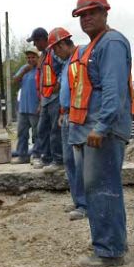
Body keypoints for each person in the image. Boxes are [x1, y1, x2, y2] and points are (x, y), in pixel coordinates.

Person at [68, 0, 133, 267]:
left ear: (106, 12)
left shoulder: (112, 43)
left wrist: (101, 126)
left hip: (103, 132)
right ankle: (113, 243)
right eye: (82, 15)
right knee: (103, 187)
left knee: (102, 188)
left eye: (92, 12)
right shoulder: (99, 44)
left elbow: (113, 89)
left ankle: (108, 252)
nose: (86, 19)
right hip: (96, 130)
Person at [47, 27, 87, 221]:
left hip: (78, 117)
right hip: (67, 116)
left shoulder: (81, 56)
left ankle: (84, 205)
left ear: (62, 44)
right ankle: (78, 200)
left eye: (55, 49)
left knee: (80, 163)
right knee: (69, 161)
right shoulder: (66, 64)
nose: (55, 54)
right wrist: (63, 112)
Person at [28, 27, 63, 172]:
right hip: (46, 98)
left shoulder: (54, 53)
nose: (35, 45)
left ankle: (58, 160)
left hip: (55, 98)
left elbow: (64, 66)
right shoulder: (43, 55)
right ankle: (46, 158)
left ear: (43, 39)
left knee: (55, 131)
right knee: (42, 129)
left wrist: (59, 83)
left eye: (36, 41)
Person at [11, 48, 41, 164]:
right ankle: (22, 156)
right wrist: (24, 71)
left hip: (35, 108)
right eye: (28, 57)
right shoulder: (24, 69)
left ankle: (37, 156)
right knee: (22, 133)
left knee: (37, 134)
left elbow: (44, 89)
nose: (30, 59)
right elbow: (14, 81)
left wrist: (40, 104)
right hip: (23, 108)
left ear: (38, 58)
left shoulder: (40, 70)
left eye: (33, 57)